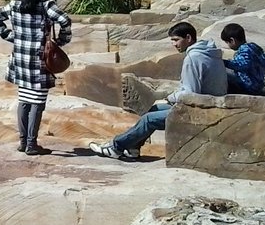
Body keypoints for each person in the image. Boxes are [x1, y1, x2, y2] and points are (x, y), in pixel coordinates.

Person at [90, 21, 228, 160]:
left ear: (188, 38)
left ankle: (116, 147)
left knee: (149, 119)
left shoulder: (193, 58)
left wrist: (171, 98)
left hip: (200, 110)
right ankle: (133, 148)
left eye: (176, 40)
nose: (174, 44)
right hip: (210, 104)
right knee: (155, 108)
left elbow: (190, 94)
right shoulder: (210, 54)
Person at [0, 0, 72, 156]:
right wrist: (61, 40)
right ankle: (31, 144)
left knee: (25, 100)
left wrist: (10, 36)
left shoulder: (14, 5)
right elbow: (65, 20)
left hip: (20, 59)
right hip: (40, 60)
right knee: (38, 102)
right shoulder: (46, 6)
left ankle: (22, 141)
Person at [220, 22, 265, 95]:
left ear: (232, 40)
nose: (227, 45)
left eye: (227, 42)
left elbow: (241, 64)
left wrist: (222, 62)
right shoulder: (253, 47)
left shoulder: (244, 50)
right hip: (260, 86)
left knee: (222, 71)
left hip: (248, 87)